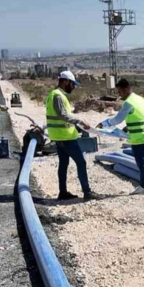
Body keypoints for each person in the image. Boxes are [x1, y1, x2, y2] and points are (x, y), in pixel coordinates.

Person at [97, 78, 144, 194]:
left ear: (126, 90)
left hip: (139, 136)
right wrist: (127, 127)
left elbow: (118, 119)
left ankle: (143, 186)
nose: (119, 95)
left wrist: (104, 123)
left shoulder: (129, 102)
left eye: (120, 92)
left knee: (141, 162)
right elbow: (139, 116)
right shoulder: (139, 98)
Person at [46, 71, 100, 200]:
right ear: (65, 81)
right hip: (66, 137)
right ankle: (87, 192)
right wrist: (80, 120)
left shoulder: (53, 94)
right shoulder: (58, 96)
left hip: (59, 136)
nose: (73, 87)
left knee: (63, 164)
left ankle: (63, 192)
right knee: (81, 162)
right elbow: (62, 115)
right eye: (72, 84)